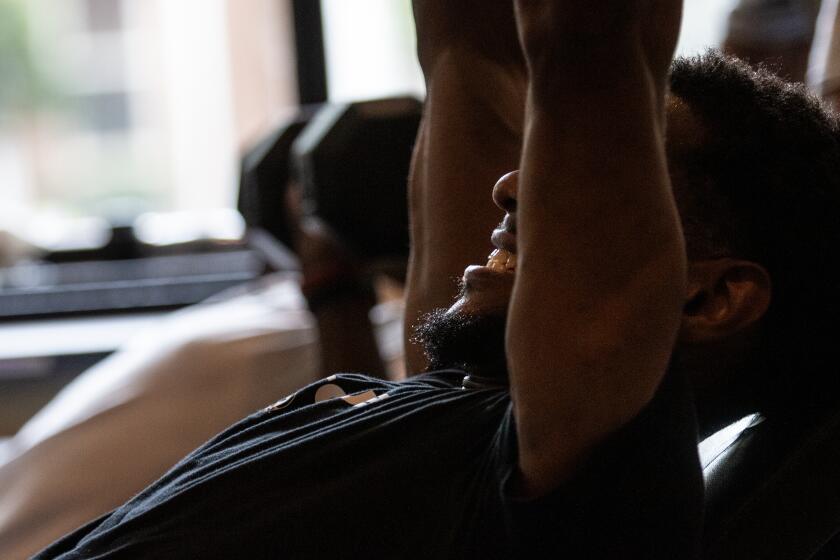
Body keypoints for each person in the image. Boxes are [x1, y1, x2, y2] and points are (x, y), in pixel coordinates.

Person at [33, 0, 840, 557]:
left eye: (576, 188)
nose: (512, 186)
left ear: (707, 296)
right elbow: (465, 49)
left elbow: (583, 39)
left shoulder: (597, 482)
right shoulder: (455, 402)